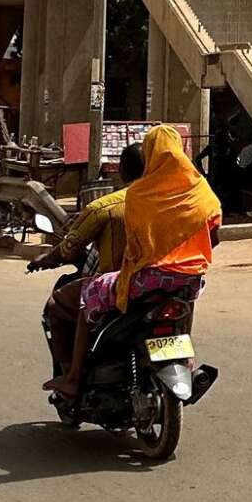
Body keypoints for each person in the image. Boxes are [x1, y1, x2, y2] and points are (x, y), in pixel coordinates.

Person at [43, 125, 221, 399]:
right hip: (192, 278)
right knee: (184, 307)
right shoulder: (202, 192)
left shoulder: (139, 196)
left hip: (147, 278)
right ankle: (186, 362)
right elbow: (215, 237)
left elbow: (136, 245)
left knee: (89, 293)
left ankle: (74, 376)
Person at [34, 144, 145, 381]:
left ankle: (70, 376)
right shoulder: (173, 201)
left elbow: (70, 246)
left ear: (122, 171)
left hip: (118, 285)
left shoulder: (106, 207)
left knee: (56, 304)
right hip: (164, 283)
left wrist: (47, 258)